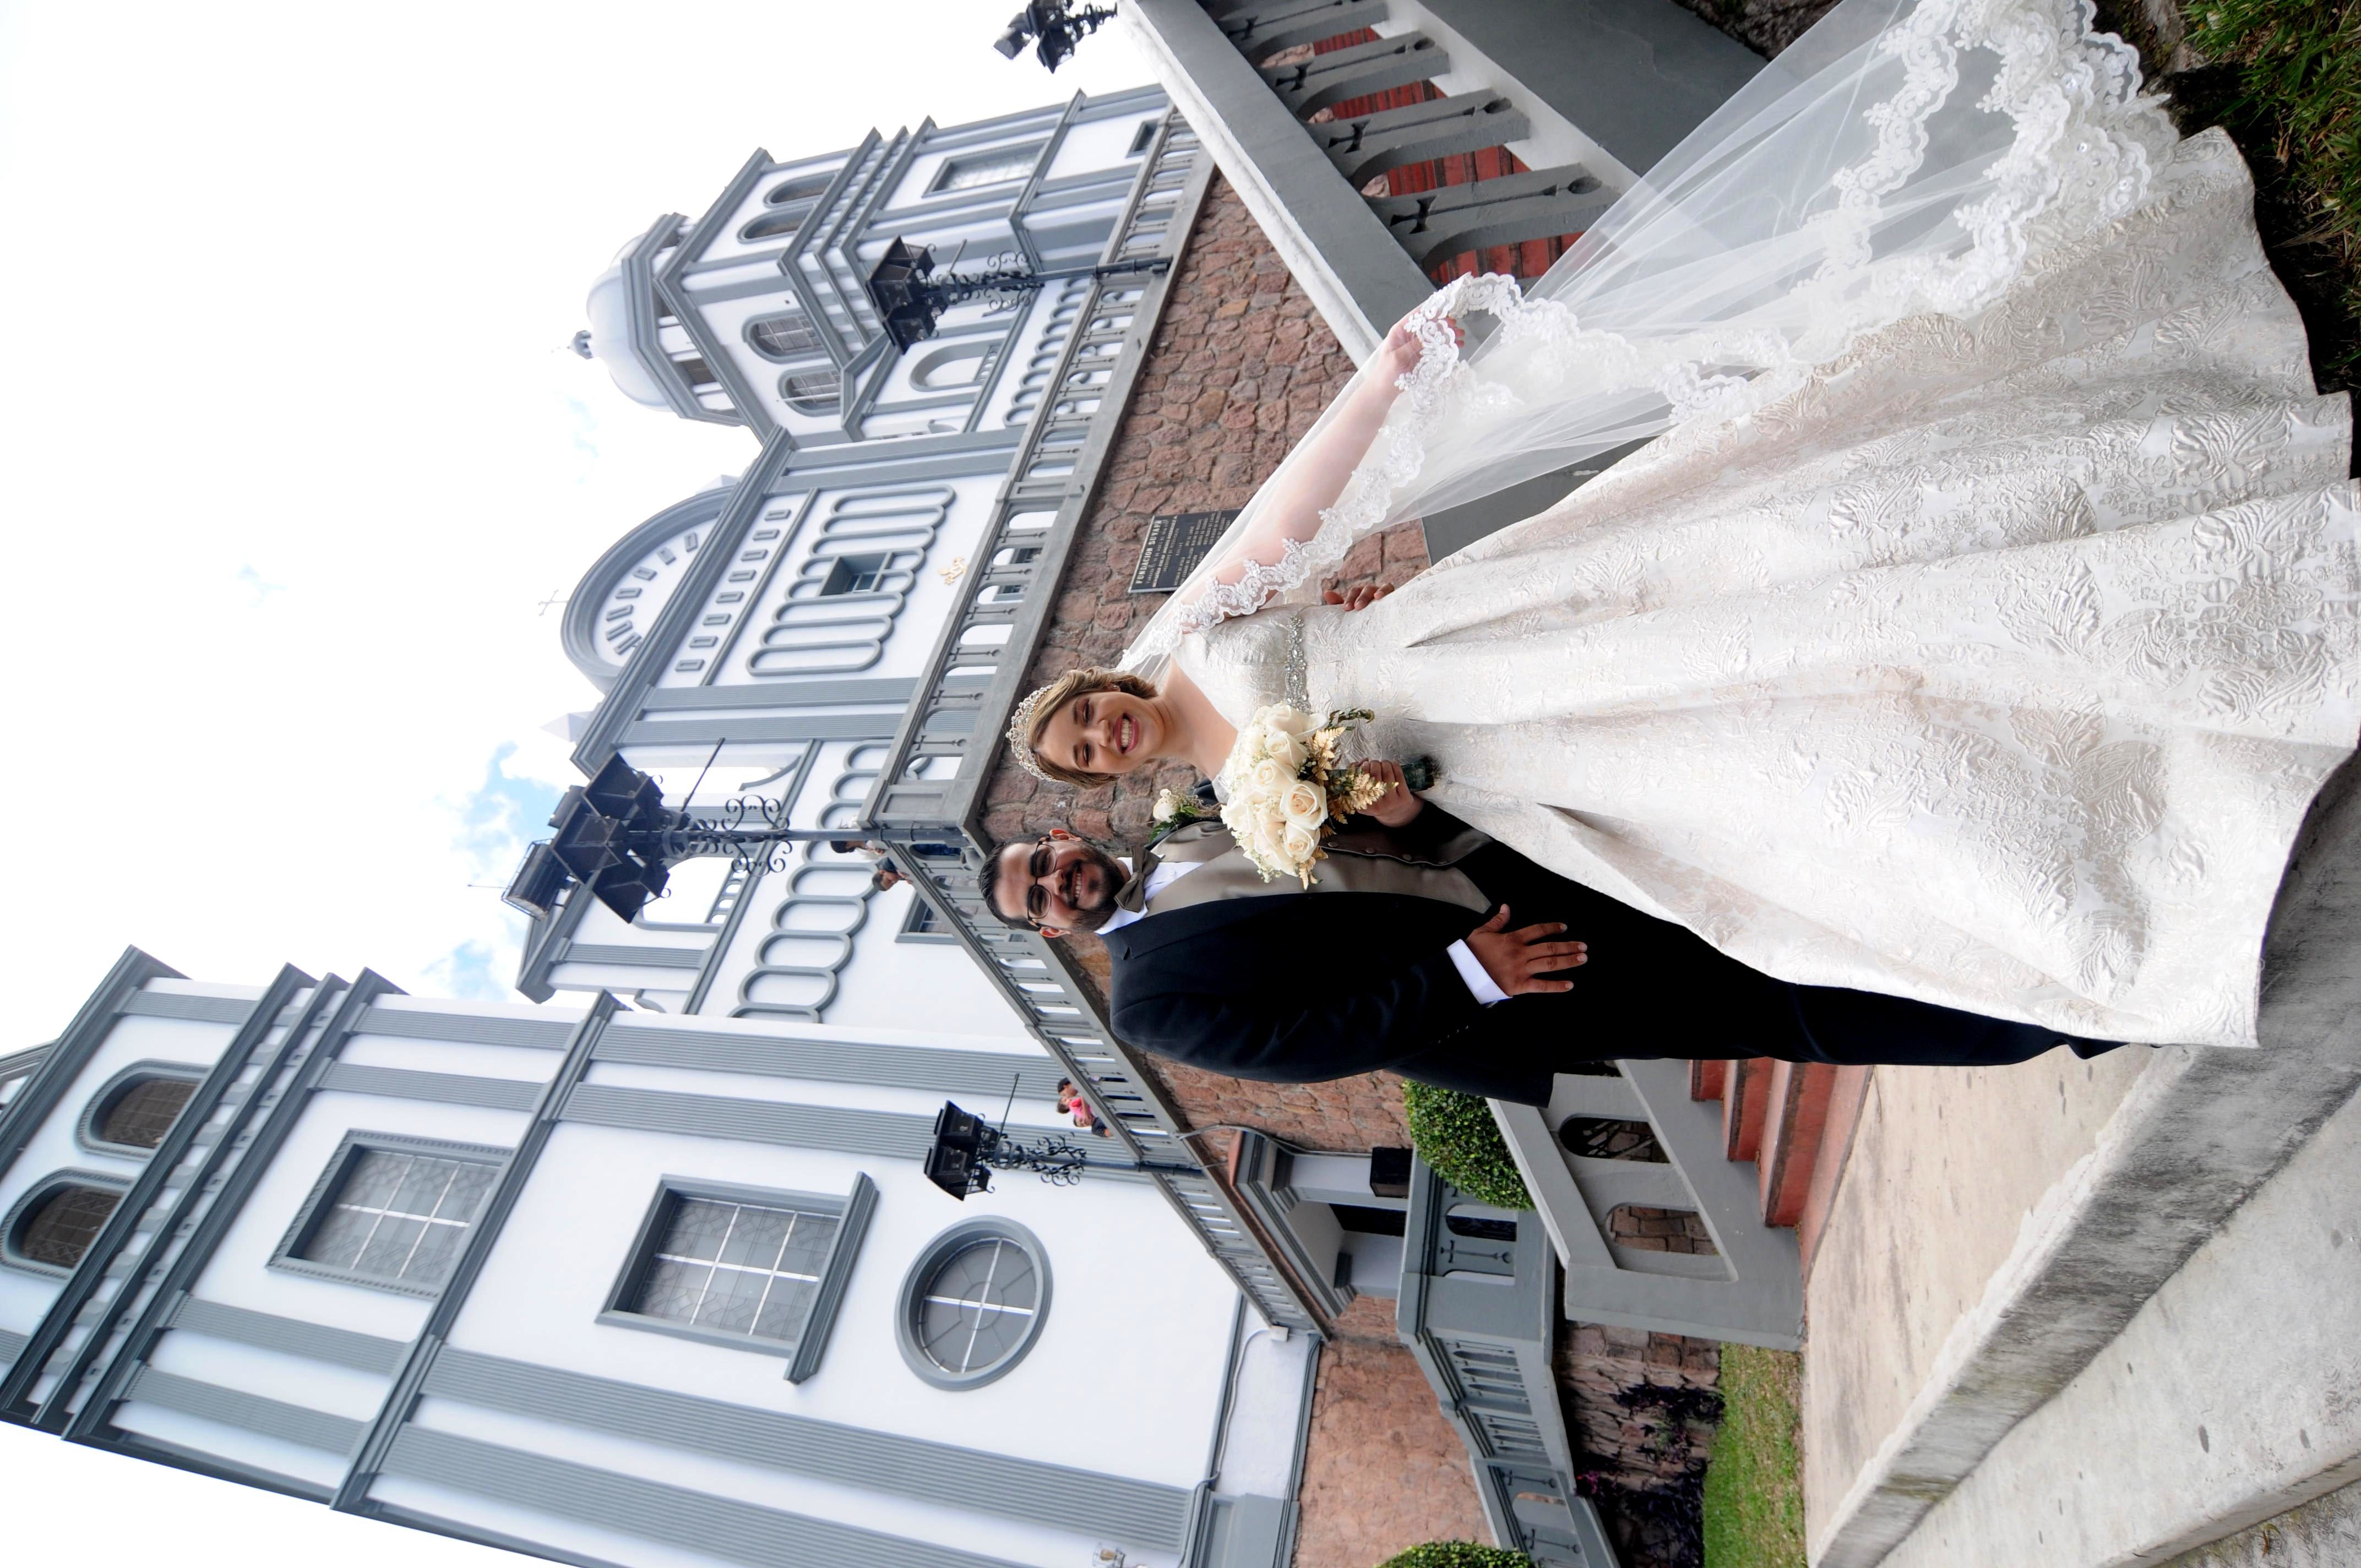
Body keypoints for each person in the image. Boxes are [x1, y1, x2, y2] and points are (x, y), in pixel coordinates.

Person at [1001, 0, 2361, 1052]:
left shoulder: (1195, 635)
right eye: (1083, 756)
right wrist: (1385, 799)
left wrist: (1384, 383)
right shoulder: (1212, 813)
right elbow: (1390, 842)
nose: (1102, 736)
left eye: (1085, 715)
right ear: (1090, 785)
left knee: (1763, 558)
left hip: (1471, 623)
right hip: (1487, 753)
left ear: (1094, 686)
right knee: (1748, 770)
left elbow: (1296, 511)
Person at [982, 782, 2123, 1106]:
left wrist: (1406, 814)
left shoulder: (1190, 828)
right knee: (1779, 1006)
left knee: (1776, 908)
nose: (1056, 878)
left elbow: (1356, 857)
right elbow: (1307, 1045)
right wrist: (1470, 972)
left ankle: (2038, 935)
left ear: (1063, 834)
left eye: (1043, 856)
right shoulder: (1146, 1004)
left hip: (1520, 876)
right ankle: (2055, 1014)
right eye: (1040, 896)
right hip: (1518, 979)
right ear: (1049, 928)